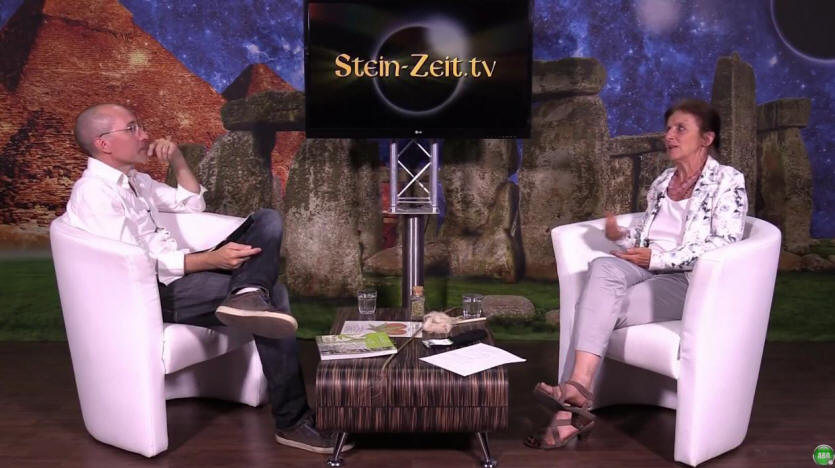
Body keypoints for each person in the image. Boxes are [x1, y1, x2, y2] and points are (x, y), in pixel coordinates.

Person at [65, 103, 351, 454]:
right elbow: (133, 266)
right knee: (275, 295)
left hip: (179, 275)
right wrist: (210, 260)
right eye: (133, 128)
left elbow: (192, 204)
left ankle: (247, 292)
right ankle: (292, 421)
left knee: (266, 219)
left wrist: (178, 161)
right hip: (151, 294)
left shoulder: (135, 181)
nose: (145, 135)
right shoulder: (95, 193)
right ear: (103, 143)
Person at [525, 98, 748, 450]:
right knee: (602, 267)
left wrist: (657, 258)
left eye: (680, 129)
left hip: (688, 280)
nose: (669, 136)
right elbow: (648, 236)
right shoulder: (662, 182)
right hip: (644, 265)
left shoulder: (727, 180)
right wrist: (621, 237)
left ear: (706, 138)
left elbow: (725, 243)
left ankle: (570, 410)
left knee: (596, 307)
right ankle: (578, 392)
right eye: (668, 128)